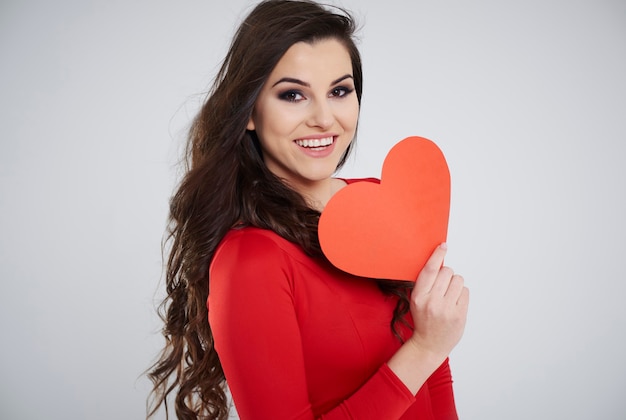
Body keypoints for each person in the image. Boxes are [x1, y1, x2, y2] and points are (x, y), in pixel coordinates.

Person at [147, 1, 469, 419]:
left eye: (339, 91)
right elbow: (429, 352)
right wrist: (425, 349)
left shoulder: (378, 201)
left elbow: (436, 381)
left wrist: (432, 347)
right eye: (293, 95)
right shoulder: (251, 261)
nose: (323, 118)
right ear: (249, 111)